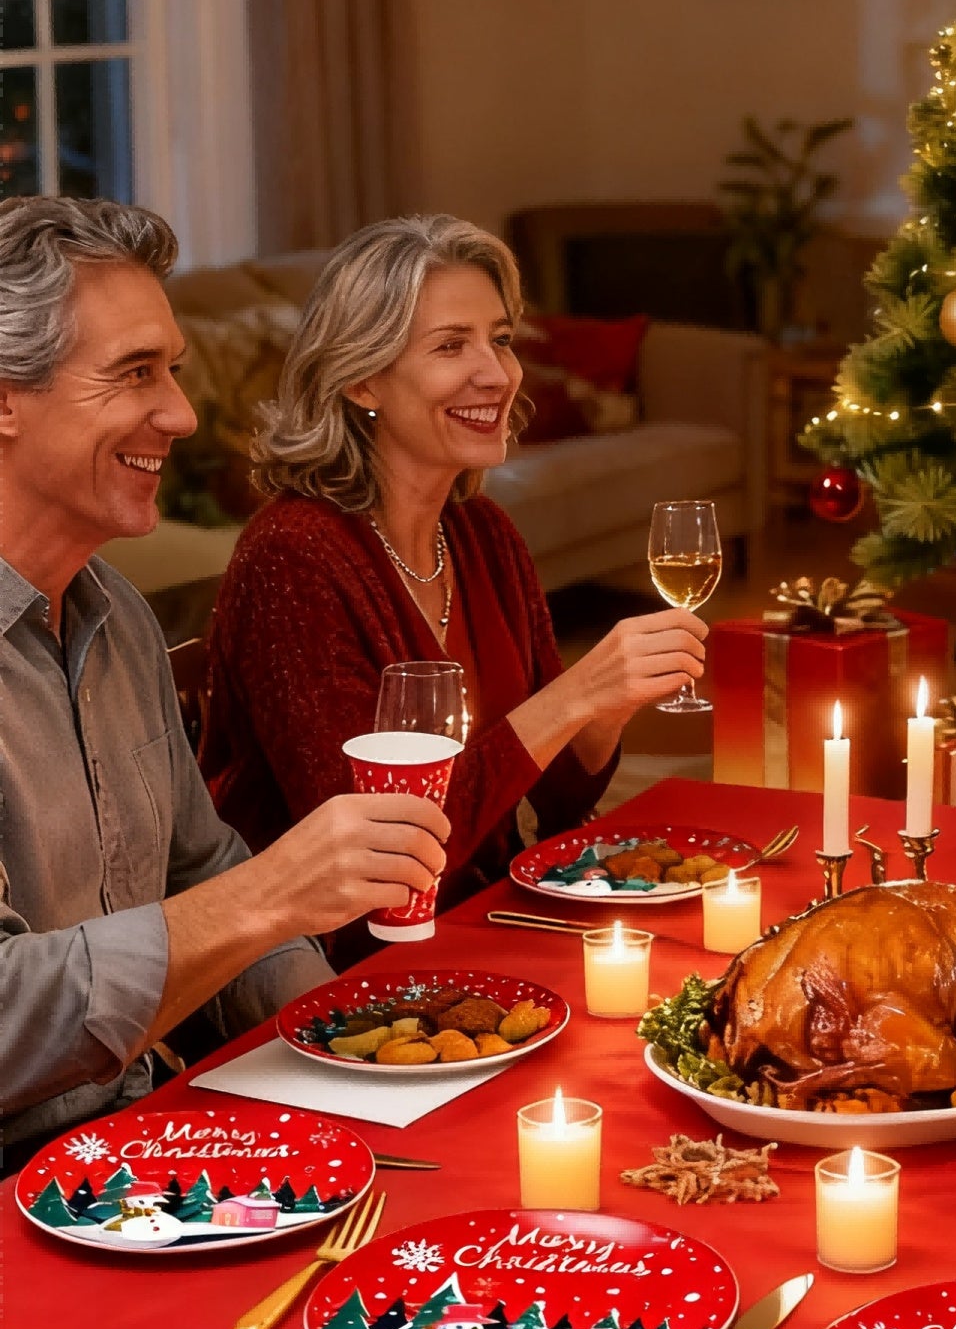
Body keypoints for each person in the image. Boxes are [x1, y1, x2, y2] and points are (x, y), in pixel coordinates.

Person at [0, 198, 451, 1160]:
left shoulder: (112, 612)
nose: (182, 414)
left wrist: (357, 1044)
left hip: (145, 1144)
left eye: (173, 370)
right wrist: (275, 893)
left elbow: (198, 866)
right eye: (134, 374)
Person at [200, 215, 706, 912]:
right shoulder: (293, 558)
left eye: (499, 340)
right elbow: (380, 864)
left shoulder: (480, 534)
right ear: (363, 381)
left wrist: (607, 705)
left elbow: (560, 794)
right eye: (450, 346)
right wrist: (573, 695)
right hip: (334, 960)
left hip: (480, 910)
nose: (496, 374)